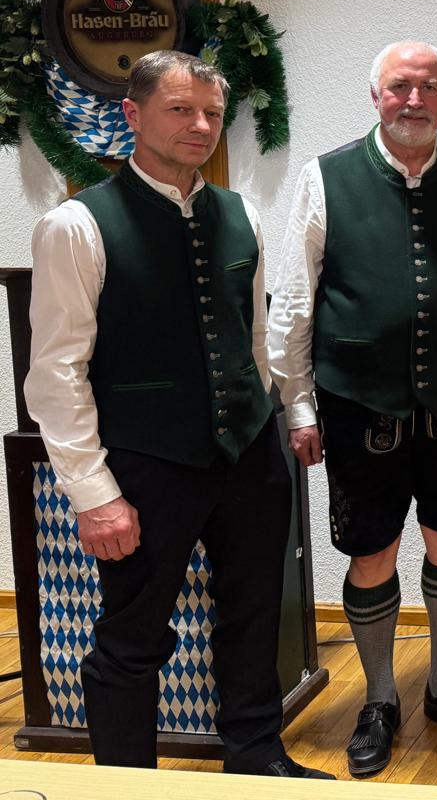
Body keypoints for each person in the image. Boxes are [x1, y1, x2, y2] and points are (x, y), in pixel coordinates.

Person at [24, 50, 329, 779]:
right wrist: (93, 495)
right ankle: (127, 785)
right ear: (133, 114)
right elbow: (56, 373)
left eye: (212, 114)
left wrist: (277, 417)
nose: (201, 125)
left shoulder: (241, 213)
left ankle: (256, 760)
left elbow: (252, 337)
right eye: (181, 110)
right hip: (146, 464)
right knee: (132, 635)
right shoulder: (76, 225)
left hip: (248, 453)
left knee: (253, 615)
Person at [268, 41, 437, 777]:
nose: (414, 99)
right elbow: (294, 301)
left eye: (429, 87)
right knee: (371, 550)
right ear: (375, 96)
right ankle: (378, 698)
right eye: (400, 86)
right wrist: (298, 407)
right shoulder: (325, 176)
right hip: (356, 399)